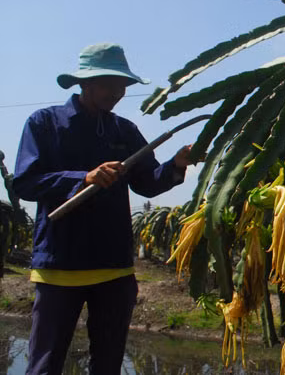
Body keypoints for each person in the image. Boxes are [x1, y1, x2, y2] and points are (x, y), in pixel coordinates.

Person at [13, 43, 195, 374]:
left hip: (114, 268)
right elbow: (26, 183)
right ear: (85, 82)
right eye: (108, 83)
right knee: (45, 363)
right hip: (60, 266)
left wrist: (176, 165)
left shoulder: (123, 130)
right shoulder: (44, 124)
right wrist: (82, 178)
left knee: (108, 364)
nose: (117, 92)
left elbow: (148, 181)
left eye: (122, 85)